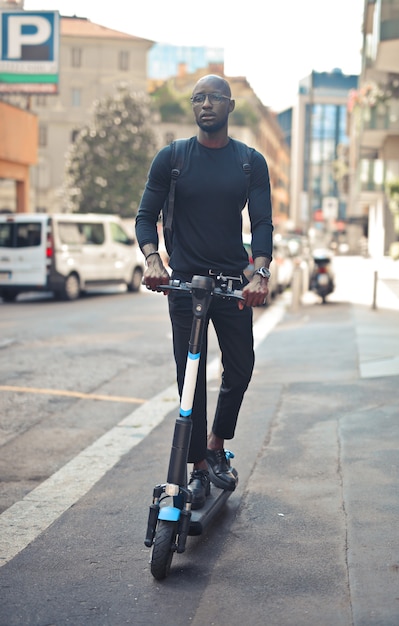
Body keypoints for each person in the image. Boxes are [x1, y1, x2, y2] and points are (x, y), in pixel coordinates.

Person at [135, 74, 273, 509]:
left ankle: (216, 444)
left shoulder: (250, 162)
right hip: (185, 285)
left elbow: (263, 224)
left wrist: (260, 272)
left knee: (242, 368)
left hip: (233, 284)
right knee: (189, 379)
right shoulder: (172, 158)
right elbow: (145, 216)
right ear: (192, 108)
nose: (205, 104)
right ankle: (196, 467)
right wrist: (153, 258)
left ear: (230, 107)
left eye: (214, 98)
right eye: (198, 98)